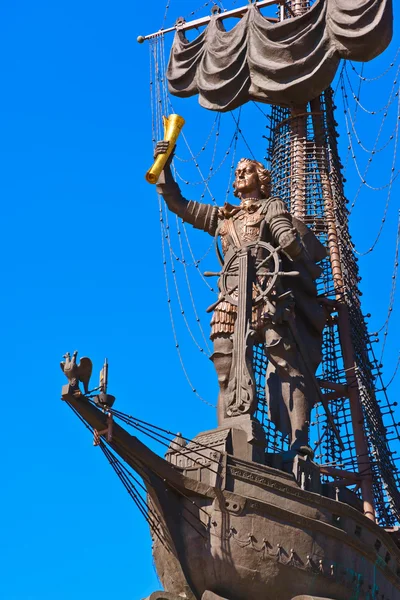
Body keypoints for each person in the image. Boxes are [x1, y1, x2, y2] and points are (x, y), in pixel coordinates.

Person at [155, 141, 327, 454]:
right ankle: (230, 433)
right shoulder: (223, 219)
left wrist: (279, 222)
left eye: (246, 171)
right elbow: (179, 205)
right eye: (237, 172)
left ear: (260, 179)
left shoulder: (272, 209)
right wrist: (164, 166)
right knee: (224, 364)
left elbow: (291, 248)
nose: (239, 175)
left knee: (284, 360)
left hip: (267, 294)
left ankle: (298, 442)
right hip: (231, 299)